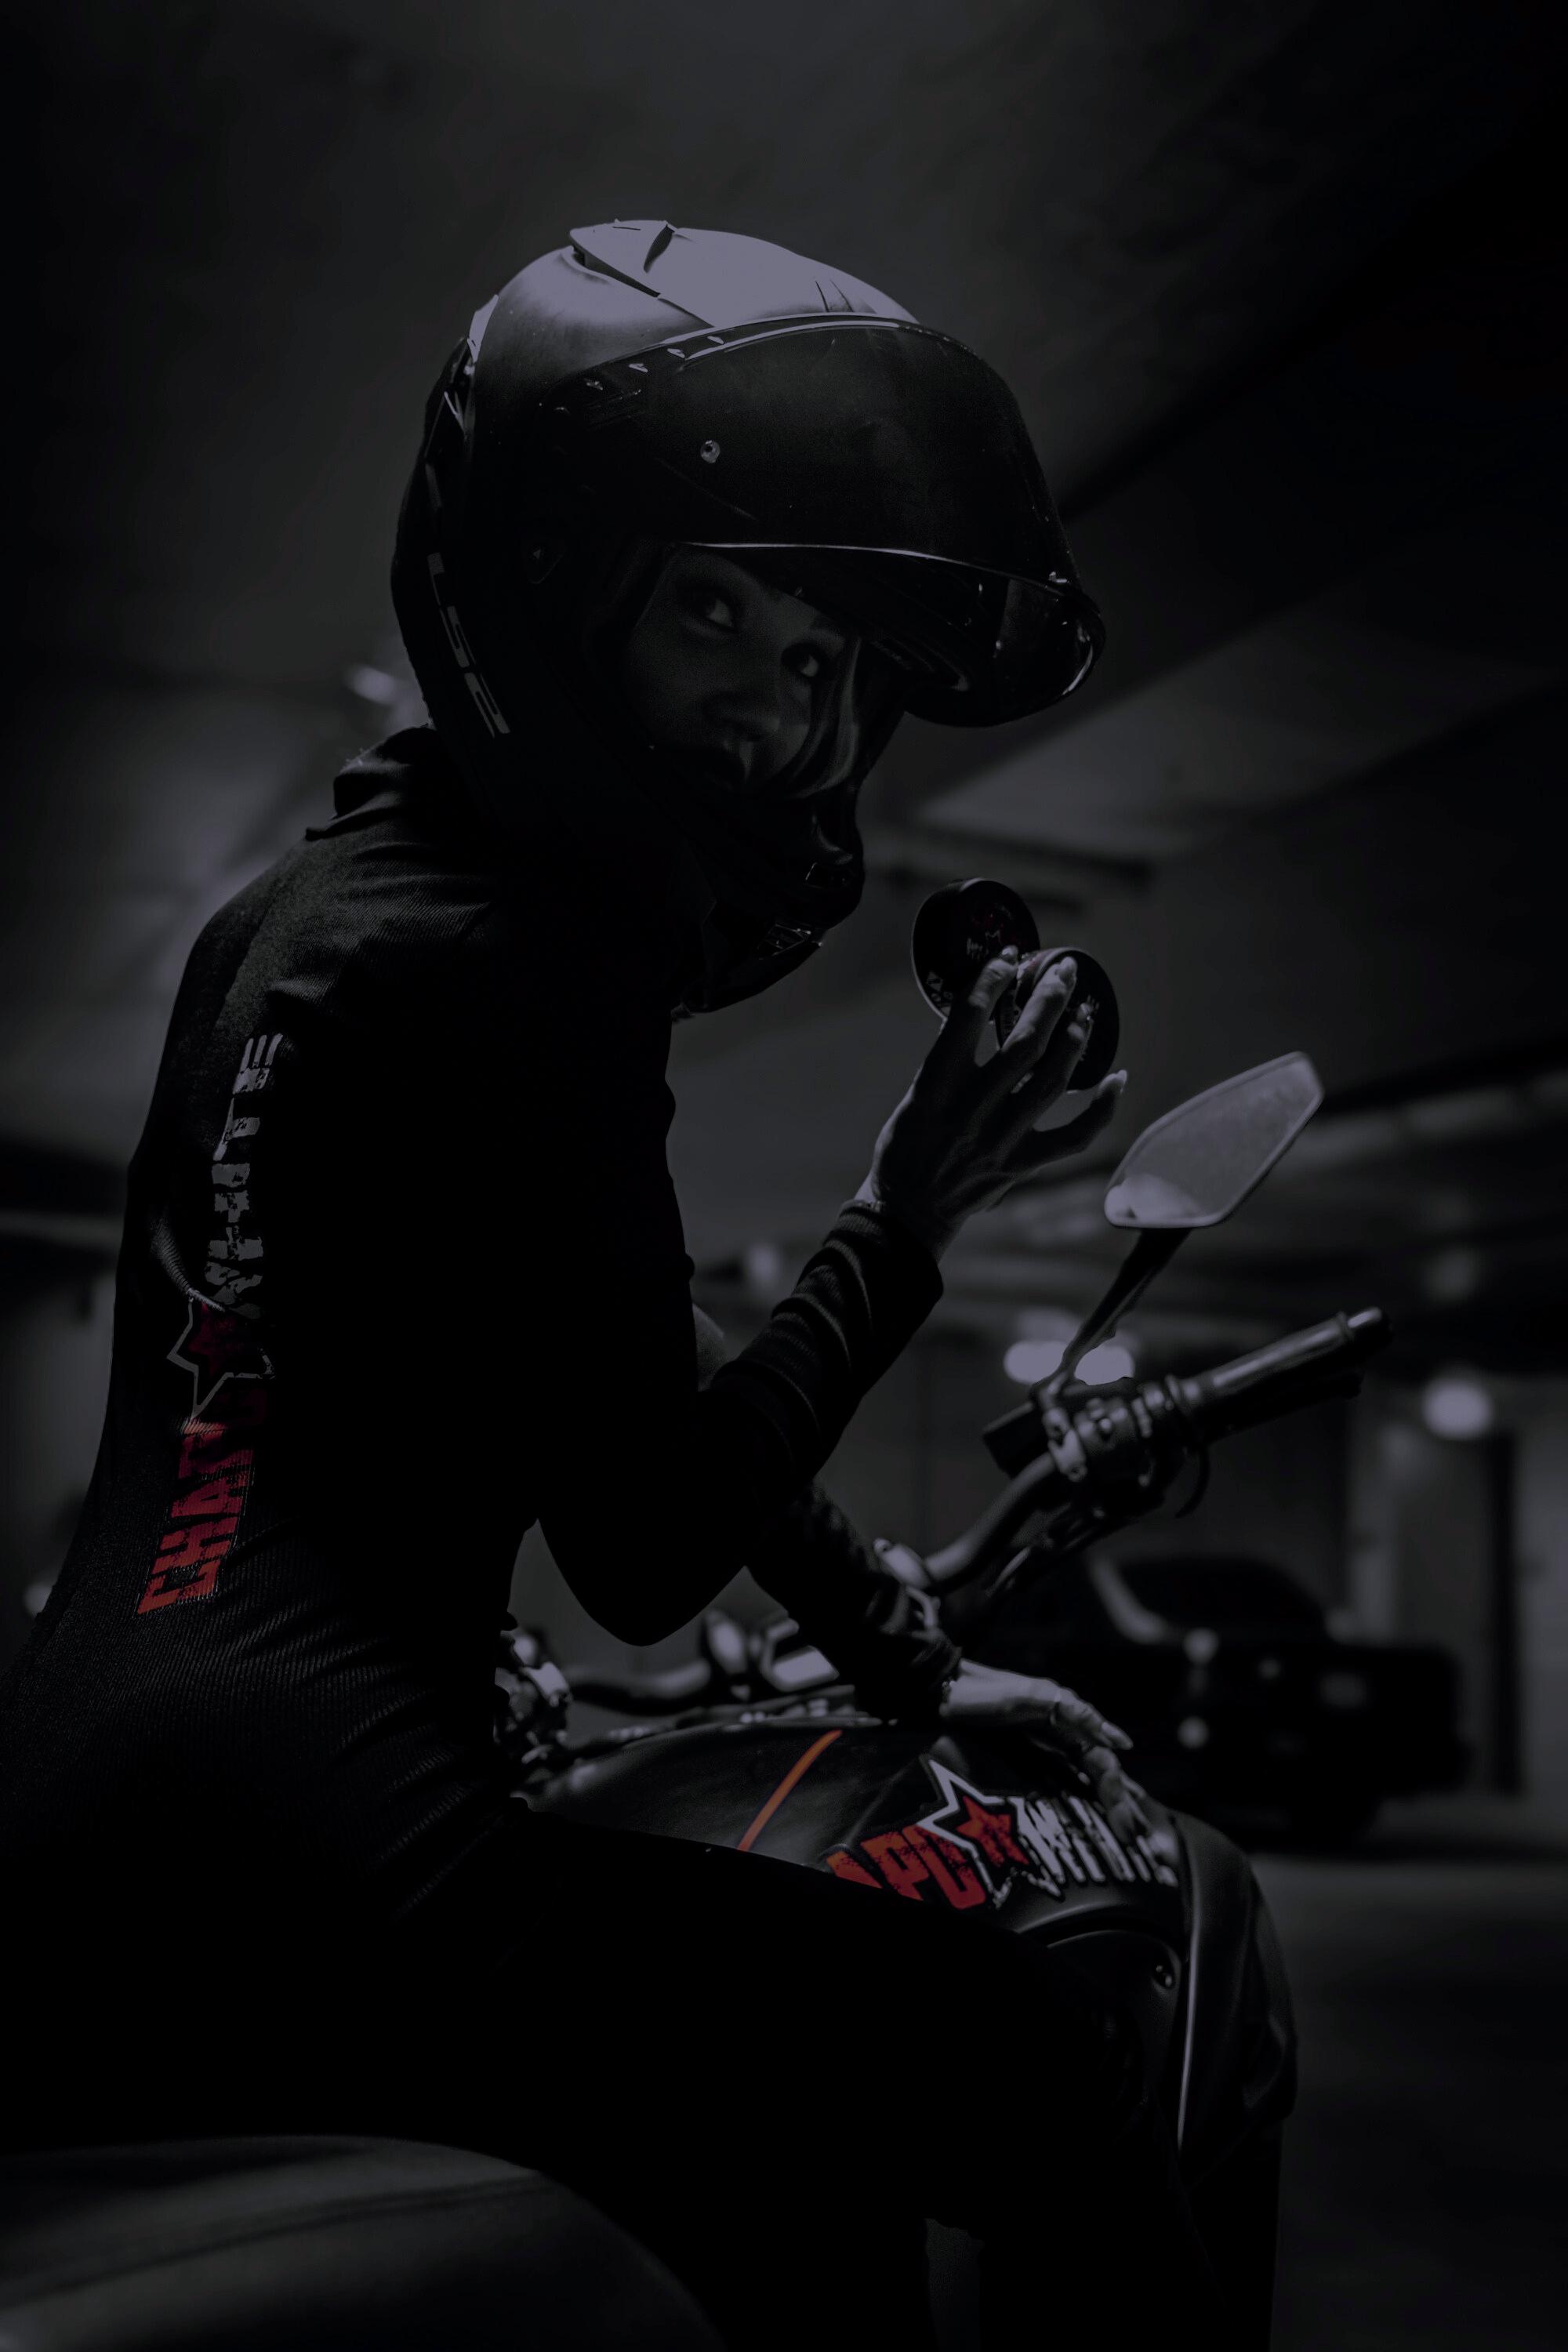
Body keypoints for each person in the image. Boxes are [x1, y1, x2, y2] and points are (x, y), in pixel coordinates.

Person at [0, 223, 1232, 2346]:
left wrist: (909, 1653)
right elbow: (647, 1540)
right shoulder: (531, 961)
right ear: (561, 602)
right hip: (337, 1837)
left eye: (825, 657)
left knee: (750, 2160)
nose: (772, 702)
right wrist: (906, 1212)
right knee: (1045, 2059)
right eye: (715, 610)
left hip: (88, 1810)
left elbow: (614, 1344)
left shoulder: (296, 920)